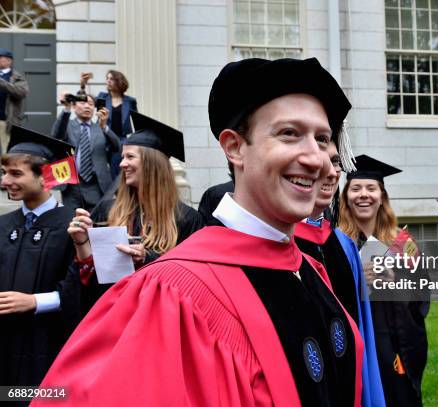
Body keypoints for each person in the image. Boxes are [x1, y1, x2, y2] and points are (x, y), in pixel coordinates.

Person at [35, 57, 364, 406]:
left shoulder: (312, 273)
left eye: (323, 139)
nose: (316, 159)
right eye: (289, 133)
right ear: (235, 147)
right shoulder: (170, 294)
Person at [69, 111, 203, 314]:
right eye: (122, 157)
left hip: (158, 318)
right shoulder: (107, 210)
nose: (121, 164)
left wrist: (147, 259)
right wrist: (81, 242)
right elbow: (90, 276)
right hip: (111, 314)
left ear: (152, 164)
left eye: (130, 157)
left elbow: (194, 280)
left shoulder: (187, 219)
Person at [294, 144, 386, 406]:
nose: (333, 172)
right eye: (326, 161)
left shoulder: (344, 246)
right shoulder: (280, 241)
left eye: (337, 163)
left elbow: (363, 334)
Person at [338, 154, 429, 407]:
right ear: (346, 197)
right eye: (355, 188)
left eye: (371, 188)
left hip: (395, 345)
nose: (363, 194)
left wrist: (396, 285)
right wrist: (360, 287)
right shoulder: (335, 244)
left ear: (382, 197)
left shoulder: (404, 244)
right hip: (358, 345)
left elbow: (421, 298)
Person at [0, 127, 79, 388]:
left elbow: (80, 290)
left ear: (45, 177)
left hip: (49, 343)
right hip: (6, 346)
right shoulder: (4, 225)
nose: (5, 181)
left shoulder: (72, 226)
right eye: (4, 173)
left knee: (43, 399)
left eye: (15, 174)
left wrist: (35, 301)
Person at [51, 92, 120, 211]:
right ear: (73, 106)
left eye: (91, 104)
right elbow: (56, 135)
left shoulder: (101, 128)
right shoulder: (67, 125)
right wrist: (66, 109)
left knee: (97, 222)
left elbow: (117, 147)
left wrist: (104, 127)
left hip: (96, 184)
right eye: (82, 103)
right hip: (71, 185)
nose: (87, 106)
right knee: (72, 221)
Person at [95, 70, 138, 178]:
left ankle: (117, 193)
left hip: (120, 141)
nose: (108, 81)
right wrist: (83, 85)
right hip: (103, 138)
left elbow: (137, 121)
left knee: (116, 171)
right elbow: (86, 102)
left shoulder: (130, 101)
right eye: (107, 78)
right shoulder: (102, 97)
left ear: (119, 81)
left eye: (112, 79)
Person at [0, 48, 28, 154]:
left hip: (5, 121)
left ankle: (4, 171)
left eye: (1, 58)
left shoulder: (17, 77)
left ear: (9, 61)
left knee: (5, 150)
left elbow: (21, 92)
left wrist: (3, 83)